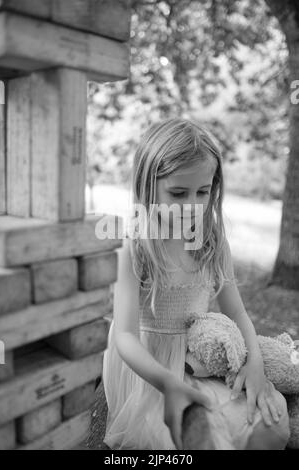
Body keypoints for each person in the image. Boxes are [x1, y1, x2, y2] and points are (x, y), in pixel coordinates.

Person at [102, 118, 290, 450]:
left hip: (195, 363)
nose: (192, 205)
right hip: (150, 372)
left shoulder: (212, 242)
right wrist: (169, 384)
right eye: (178, 193)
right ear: (148, 187)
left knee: (270, 429)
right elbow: (125, 337)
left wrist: (255, 365)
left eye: (202, 192)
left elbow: (239, 314)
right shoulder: (136, 246)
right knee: (195, 442)